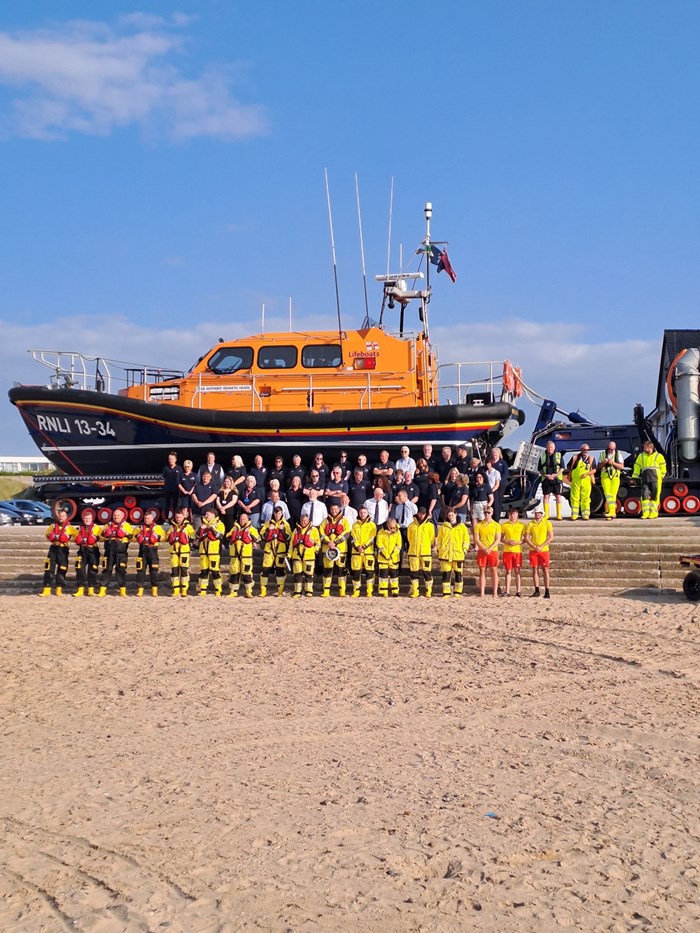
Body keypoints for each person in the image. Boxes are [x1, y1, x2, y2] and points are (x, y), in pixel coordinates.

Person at [39, 506, 77, 597]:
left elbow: (77, 537)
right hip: (53, 548)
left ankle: (59, 589)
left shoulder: (70, 528)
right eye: (60, 516)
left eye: (63, 516)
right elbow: (46, 535)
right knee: (49, 568)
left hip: (63, 549)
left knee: (62, 569)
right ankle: (46, 589)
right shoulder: (52, 526)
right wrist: (51, 537)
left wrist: (69, 538)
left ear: (66, 517)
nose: (61, 518)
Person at [97, 506, 134, 597]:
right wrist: (106, 531)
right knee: (106, 570)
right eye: (114, 515)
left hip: (121, 552)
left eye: (118, 515)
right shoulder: (108, 525)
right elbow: (101, 535)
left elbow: (131, 536)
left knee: (121, 570)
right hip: (109, 551)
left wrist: (124, 533)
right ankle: (102, 590)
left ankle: (122, 590)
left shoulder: (126, 525)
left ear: (122, 516)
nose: (116, 517)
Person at [319, 502, 352, 597]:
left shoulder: (344, 520)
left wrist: (335, 542)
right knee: (327, 570)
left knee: (341, 570)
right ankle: (326, 591)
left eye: (336, 509)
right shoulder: (325, 521)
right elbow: (321, 532)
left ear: (339, 509)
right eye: (332, 509)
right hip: (327, 549)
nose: (334, 511)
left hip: (341, 549)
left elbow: (347, 533)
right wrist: (328, 542)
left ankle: (342, 591)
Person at [436, 507, 470, 597]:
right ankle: (446, 592)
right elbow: (439, 540)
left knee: (458, 574)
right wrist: (439, 549)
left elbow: (466, 540)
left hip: (458, 554)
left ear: (455, 515)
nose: (451, 517)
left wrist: (464, 549)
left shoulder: (462, 527)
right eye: (449, 515)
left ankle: (457, 592)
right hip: (445, 554)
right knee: (446, 574)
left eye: (452, 515)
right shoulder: (443, 527)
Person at [259, 506, 291, 597]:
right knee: (265, 570)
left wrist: (282, 530)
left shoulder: (286, 524)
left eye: (279, 513)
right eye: (276, 513)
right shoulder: (268, 523)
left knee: (280, 571)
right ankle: (263, 591)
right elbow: (262, 536)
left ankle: (280, 591)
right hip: (269, 550)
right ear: (274, 513)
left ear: (282, 514)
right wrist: (269, 529)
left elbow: (288, 537)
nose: (278, 515)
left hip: (281, 551)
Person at [134, 508, 166, 597]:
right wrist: (138, 536)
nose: (146, 520)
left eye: (148, 519)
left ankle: (154, 590)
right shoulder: (140, 528)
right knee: (140, 571)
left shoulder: (157, 528)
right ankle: (140, 590)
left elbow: (164, 537)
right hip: (142, 550)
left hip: (153, 551)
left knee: (154, 571)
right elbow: (133, 537)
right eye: (145, 518)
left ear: (152, 519)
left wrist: (157, 537)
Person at [631, 440, 667, 519]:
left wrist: (661, 476)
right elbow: (637, 467)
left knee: (655, 496)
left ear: (650, 447)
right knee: (644, 495)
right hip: (645, 478)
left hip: (656, 478)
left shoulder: (659, 456)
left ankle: (654, 513)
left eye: (645, 447)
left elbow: (663, 467)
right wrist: (634, 477)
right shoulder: (641, 456)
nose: (643, 448)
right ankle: (646, 513)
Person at [195, 505, 226, 596]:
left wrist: (210, 527)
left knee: (215, 571)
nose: (206, 516)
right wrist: (201, 528)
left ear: (213, 515)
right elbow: (196, 537)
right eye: (205, 514)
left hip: (214, 552)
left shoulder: (219, 524)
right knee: (203, 571)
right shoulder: (203, 525)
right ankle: (203, 590)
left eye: (207, 514)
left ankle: (218, 590)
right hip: (203, 551)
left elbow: (219, 535)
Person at [228, 512, 260, 597]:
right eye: (241, 519)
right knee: (234, 573)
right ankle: (233, 591)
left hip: (246, 555)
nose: (242, 521)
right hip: (235, 555)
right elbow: (227, 536)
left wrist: (249, 534)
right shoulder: (235, 528)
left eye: (244, 519)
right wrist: (233, 534)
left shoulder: (252, 529)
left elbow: (257, 539)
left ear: (248, 519)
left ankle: (248, 591)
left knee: (247, 573)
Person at [525, 505, 554, 598]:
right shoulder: (530, 524)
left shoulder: (547, 523)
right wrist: (534, 546)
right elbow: (526, 537)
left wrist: (541, 546)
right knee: (535, 569)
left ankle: (547, 590)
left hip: (544, 549)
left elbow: (551, 537)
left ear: (542, 514)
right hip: (533, 549)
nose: (537, 514)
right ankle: (537, 589)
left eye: (539, 513)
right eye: (536, 513)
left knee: (545, 570)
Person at [406, 507, 435, 598]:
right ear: (417, 513)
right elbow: (409, 538)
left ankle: (428, 590)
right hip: (414, 553)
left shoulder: (430, 525)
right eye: (420, 513)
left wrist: (426, 546)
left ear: (425, 514)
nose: (421, 515)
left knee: (427, 572)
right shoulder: (411, 526)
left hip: (425, 552)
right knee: (414, 573)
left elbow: (432, 538)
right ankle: (415, 591)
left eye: (423, 514)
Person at [289, 513, 320, 598]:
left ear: (308, 520)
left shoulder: (314, 530)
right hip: (297, 555)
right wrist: (289, 554)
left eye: (305, 520)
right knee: (297, 574)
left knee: (309, 574)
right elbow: (291, 544)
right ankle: (297, 591)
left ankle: (308, 591)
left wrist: (315, 550)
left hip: (309, 556)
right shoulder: (295, 530)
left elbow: (318, 542)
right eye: (302, 520)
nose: (303, 522)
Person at [73, 507, 102, 597]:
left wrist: (96, 538)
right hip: (82, 550)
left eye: (89, 518)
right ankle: (80, 588)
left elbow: (103, 537)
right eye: (86, 518)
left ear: (92, 518)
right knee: (79, 569)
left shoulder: (97, 528)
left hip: (93, 550)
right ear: (83, 519)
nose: (87, 520)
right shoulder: (78, 528)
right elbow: (74, 538)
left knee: (92, 570)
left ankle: (91, 589)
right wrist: (77, 538)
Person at [167, 506, 195, 597]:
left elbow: (194, 536)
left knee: (184, 570)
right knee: (174, 570)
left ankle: (184, 589)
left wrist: (186, 537)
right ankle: (176, 589)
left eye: (179, 517)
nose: (178, 519)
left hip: (184, 551)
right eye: (176, 517)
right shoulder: (172, 527)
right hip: (174, 552)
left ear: (184, 517)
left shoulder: (188, 527)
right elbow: (166, 536)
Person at [474, 505, 501, 599]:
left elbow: (498, 539)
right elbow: (476, 539)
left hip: (493, 550)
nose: (486, 514)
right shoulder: (479, 525)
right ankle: (482, 592)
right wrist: (484, 548)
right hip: (482, 550)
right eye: (485, 512)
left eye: (488, 512)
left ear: (492, 513)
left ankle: (495, 592)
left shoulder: (496, 525)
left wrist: (490, 548)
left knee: (494, 571)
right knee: (482, 571)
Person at [350, 506, 377, 597]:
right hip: (356, 552)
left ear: (367, 513)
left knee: (369, 572)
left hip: (368, 552)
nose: (362, 514)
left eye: (364, 512)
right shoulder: (354, 525)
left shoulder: (372, 525)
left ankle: (369, 590)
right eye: (361, 512)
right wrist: (357, 547)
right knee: (356, 572)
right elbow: (353, 538)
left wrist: (364, 546)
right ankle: (356, 591)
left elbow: (372, 538)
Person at [501, 506, 525, 597]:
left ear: (517, 515)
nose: (512, 516)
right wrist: (507, 541)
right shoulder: (504, 525)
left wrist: (518, 542)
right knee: (508, 571)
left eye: (514, 514)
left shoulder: (522, 525)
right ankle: (507, 590)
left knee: (517, 571)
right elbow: (501, 538)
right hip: (507, 550)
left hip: (517, 551)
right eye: (511, 514)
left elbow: (526, 539)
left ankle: (518, 590)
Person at [567, 445, 596, 521]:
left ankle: (585, 515)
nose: (586, 451)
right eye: (584, 449)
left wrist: (586, 474)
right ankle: (574, 514)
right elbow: (569, 466)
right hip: (576, 481)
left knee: (586, 498)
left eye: (587, 450)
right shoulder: (575, 457)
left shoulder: (591, 459)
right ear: (581, 450)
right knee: (574, 497)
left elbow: (594, 470)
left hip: (586, 481)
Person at [376, 516, 402, 597]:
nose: (392, 529)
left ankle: (395, 591)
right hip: (383, 558)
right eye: (391, 527)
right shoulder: (381, 532)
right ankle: (383, 592)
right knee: (383, 575)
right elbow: (379, 544)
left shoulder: (398, 532)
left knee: (394, 575)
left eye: (394, 527)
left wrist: (393, 554)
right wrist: (386, 554)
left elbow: (399, 545)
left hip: (394, 558)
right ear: (387, 525)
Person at [598, 441, 625, 520]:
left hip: (615, 477)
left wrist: (613, 463)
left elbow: (622, 467)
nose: (610, 450)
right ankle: (611, 512)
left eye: (612, 449)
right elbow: (599, 466)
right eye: (609, 449)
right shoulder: (603, 454)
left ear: (615, 448)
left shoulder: (618, 454)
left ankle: (610, 512)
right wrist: (604, 462)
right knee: (607, 494)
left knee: (612, 495)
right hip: (605, 477)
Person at [540, 441, 563, 521]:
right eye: (549, 447)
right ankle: (546, 515)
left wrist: (556, 475)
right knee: (546, 496)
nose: (550, 449)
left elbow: (562, 467)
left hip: (557, 479)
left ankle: (559, 515)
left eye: (552, 447)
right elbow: (539, 468)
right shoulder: (542, 456)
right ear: (546, 447)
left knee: (558, 496)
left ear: (554, 448)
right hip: (546, 479)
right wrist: (545, 475)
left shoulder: (559, 455)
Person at [216, 475, 239, 549]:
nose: (226, 483)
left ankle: (229, 543)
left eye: (228, 481)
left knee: (230, 527)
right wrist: (220, 508)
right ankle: (222, 543)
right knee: (221, 528)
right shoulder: (220, 492)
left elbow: (233, 501)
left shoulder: (234, 492)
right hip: (221, 512)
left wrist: (224, 508)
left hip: (230, 513)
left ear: (231, 482)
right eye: (225, 481)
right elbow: (217, 501)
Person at [161, 451, 183, 521]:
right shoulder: (166, 468)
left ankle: (175, 519)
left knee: (175, 506)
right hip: (168, 489)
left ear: (175, 459)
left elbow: (181, 478)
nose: (171, 460)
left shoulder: (179, 468)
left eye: (172, 459)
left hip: (176, 489)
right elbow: (164, 477)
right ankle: (166, 519)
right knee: (167, 505)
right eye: (170, 459)